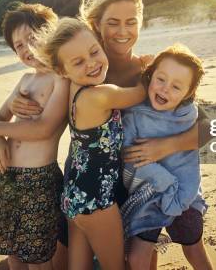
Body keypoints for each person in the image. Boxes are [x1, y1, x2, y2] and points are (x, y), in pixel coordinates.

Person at [8, 0, 213, 267]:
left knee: (138, 261)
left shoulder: (152, 71)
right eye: (113, 22)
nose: (122, 31)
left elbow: (207, 126)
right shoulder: (76, 72)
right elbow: (40, 121)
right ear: (96, 23)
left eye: (131, 22)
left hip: (139, 183)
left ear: (141, 22)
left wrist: (165, 146)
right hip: (92, 187)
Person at [33, 17, 146, 270]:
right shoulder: (101, 95)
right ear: (63, 71)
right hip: (96, 199)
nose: (92, 63)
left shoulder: (75, 89)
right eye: (78, 62)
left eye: (94, 51)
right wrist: (148, 66)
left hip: (73, 194)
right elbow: (141, 93)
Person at [0, 3, 68, 270]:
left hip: (38, 181)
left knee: (38, 256)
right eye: (18, 45)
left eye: (32, 38)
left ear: (51, 34)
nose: (27, 49)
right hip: (7, 178)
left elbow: (43, 129)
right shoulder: (25, 81)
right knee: (13, 249)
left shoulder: (60, 79)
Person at [121, 43, 212, 270]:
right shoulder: (135, 112)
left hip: (185, 193)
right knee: (136, 258)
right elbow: (131, 156)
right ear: (150, 75)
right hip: (147, 193)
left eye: (176, 87)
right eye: (161, 79)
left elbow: (212, 128)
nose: (164, 89)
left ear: (188, 94)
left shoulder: (188, 114)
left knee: (194, 248)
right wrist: (165, 183)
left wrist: (166, 147)